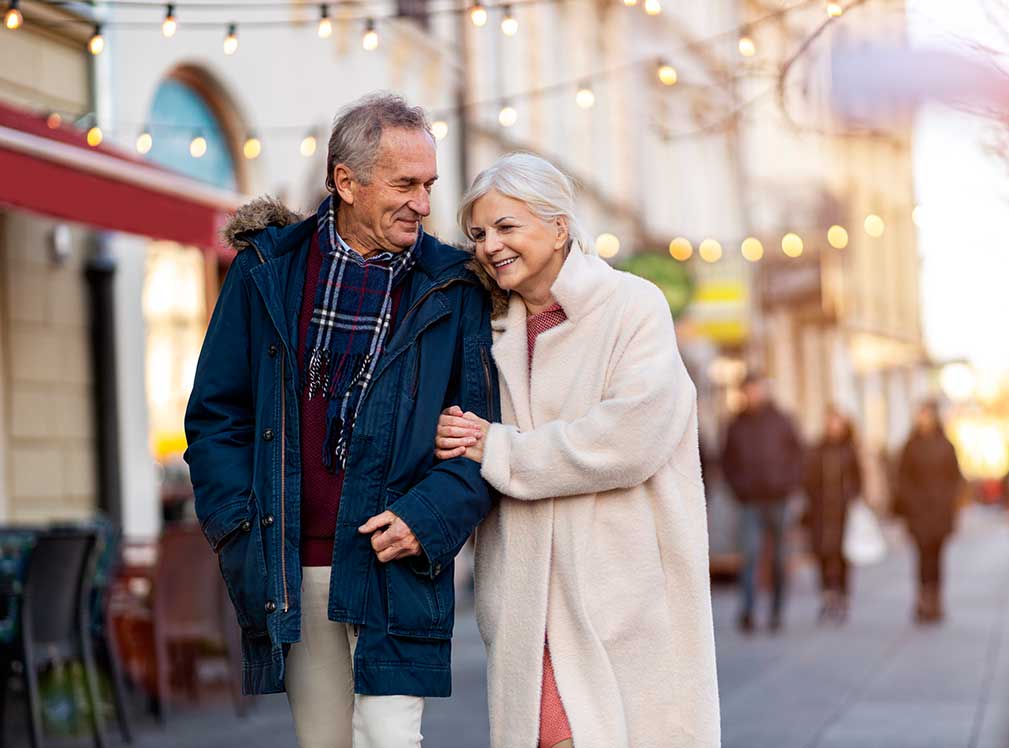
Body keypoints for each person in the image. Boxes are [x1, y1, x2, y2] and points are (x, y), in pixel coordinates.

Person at [183, 93, 498, 748]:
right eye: (405, 184)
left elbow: (480, 436)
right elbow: (218, 415)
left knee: (390, 739)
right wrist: (240, 529)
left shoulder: (453, 286)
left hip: (397, 565)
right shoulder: (268, 271)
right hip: (293, 568)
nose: (423, 203)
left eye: (429, 185)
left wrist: (429, 518)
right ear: (346, 182)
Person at [432, 153, 720, 748]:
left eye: (507, 227)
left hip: (622, 593)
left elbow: (630, 438)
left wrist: (499, 448)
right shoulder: (486, 328)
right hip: (524, 601)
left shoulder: (633, 306)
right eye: (480, 233)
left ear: (559, 226)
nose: (489, 246)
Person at [721, 372, 805, 633]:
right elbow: (726, 462)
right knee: (750, 555)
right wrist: (739, 488)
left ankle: (777, 611)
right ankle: (748, 611)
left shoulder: (782, 420)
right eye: (749, 390)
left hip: (778, 498)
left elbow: (799, 455)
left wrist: (789, 485)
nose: (753, 394)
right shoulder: (735, 424)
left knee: (780, 557)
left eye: (756, 389)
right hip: (749, 501)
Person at [896, 400, 964, 624]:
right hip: (918, 512)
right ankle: (922, 599)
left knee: (937, 557)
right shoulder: (910, 446)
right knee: (922, 556)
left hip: (940, 512)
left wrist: (949, 502)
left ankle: (936, 599)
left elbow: (956, 479)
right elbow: (902, 478)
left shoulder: (946, 446)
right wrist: (910, 502)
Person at [803, 407, 862, 623]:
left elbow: (858, 480)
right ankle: (827, 595)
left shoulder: (849, 451)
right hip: (821, 513)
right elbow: (808, 478)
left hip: (843, 513)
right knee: (822, 553)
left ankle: (843, 596)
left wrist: (852, 497)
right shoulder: (817, 450)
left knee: (843, 555)